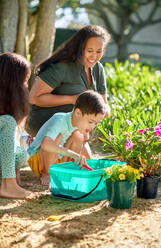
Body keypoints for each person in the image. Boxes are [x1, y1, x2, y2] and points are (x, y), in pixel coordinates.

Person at [26, 25, 111, 138]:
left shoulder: (98, 68)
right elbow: (34, 97)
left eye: (99, 51)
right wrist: (72, 99)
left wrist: (104, 110)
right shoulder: (62, 67)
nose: (94, 56)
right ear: (80, 48)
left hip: (76, 132)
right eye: (90, 50)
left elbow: (104, 104)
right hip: (45, 129)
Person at [27, 90, 105, 186]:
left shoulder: (77, 126)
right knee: (57, 138)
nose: (93, 126)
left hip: (56, 160)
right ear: (78, 113)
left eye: (95, 123)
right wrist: (73, 154)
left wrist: (91, 167)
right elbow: (46, 144)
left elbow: (84, 151)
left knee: (78, 136)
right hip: (39, 161)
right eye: (90, 122)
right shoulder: (60, 119)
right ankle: (46, 173)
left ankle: (66, 170)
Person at [0, 52, 32, 199]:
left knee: (20, 154)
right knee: (7, 121)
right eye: (24, 80)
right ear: (12, 82)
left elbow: (8, 145)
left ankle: (12, 181)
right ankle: (8, 185)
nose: (26, 86)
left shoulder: (9, 105)